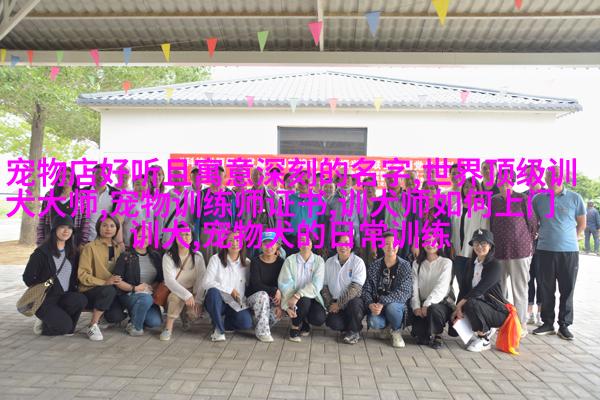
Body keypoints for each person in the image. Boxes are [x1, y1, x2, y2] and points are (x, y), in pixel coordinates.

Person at [532, 166, 586, 340]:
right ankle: (547, 323)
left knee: (567, 289)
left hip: (569, 252)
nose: (552, 177)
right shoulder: (538, 199)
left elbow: (582, 224)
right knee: (546, 288)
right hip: (544, 250)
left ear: (562, 177)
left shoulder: (575, 198)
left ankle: (564, 325)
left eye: (556, 174)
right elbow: (535, 222)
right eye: (549, 175)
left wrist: (570, 238)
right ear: (545, 178)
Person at [23, 215, 87, 336]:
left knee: (80, 299)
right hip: (45, 300)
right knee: (65, 327)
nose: (66, 231)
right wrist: (44, 284)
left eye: (70, 228)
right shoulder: (41, 253)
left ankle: (59, 322)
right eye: (62, 227)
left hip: (63, 297)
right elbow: (27, 278)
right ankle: (44, 325)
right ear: (54, 229)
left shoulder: (72, 252)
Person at [490, 171, 537, 336]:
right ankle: (502, 321)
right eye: (501, 181)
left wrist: (527, 243)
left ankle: (521, 323)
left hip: (520, 250)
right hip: (499, 250)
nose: (504, 185)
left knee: (520, 288)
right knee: (499, 287)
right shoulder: (494, 200)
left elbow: (532, 224)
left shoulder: (523, 199)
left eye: (508, 181)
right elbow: (491, 223)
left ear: (513, 182)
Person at [453, 229, 509, 352]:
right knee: (455, 320)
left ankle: (484, 338)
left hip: (497, 310)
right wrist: (457, 309)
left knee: (470, 303)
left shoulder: (495, 265)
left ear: (490, 246)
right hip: (478, 305)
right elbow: (464, 288)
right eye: (476, 243)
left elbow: (480, 289)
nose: (479, 247)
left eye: (484, 244)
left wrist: (461, 304)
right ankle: (482, 328)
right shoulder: (470, 264)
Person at [203, 231, 258, 341]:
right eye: (231, 241)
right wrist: (230, 290)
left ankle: (222, 322)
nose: (235, 243)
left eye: (238, 240)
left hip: (235, 303)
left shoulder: (247, 263)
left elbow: (249, 285)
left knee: (246, 323)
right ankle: (219, 330)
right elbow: (206, 282)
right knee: (213, 292)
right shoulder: (216, 259)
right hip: (217, 301)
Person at [77, 216, 125, 341]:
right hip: (90, 290)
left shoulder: (118, 248)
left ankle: (103, 313)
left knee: (116, 316)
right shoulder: (90, 247)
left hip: (110, 291)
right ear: (98, 227)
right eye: (104, 225)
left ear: (117, 229)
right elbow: (83, 275)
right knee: (109, 290)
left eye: (112, 226)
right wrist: (104, 282)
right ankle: (92, 325)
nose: (108, 229)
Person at [362, 232, 413, 348]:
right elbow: (366, 288)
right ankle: (386, 328)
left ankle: (396, 331)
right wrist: (370, 304)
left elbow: (405, 292)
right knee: (374, 322)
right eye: (387, 244)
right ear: (382, 246)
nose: (391, 247)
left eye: (394, 243)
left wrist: (382, 302)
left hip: (395, 306)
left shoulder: (405, 265)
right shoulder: (375, 265)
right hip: (378, 306)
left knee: (392, 308)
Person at [112, 225, 164, 336]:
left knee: (154, 322)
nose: (143, 239)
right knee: (145, 299)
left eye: (146, 237)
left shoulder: (155, 256)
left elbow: (160, 279)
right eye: (140, 236)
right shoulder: (126, 255)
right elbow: (117, 281)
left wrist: (152, 287)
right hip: (129, 294)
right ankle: (135, 327)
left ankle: (135, 316)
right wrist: (134, 288)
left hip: (149, 295)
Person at [160, 222, 206, 341]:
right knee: (176, 298)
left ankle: (185, 316)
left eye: (187, 235)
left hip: (192, 292)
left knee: (194, 314)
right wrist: (187, 295)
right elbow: (169, 281)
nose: (183, 237)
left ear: (192, 237)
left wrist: (198, 299)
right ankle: (168, 328)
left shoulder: (198, 256)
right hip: (174, 291)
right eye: (180, 235)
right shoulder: (168, 256)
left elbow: (201, 279)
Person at [278, 233, 326, 342]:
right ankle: (294, 327)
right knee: (304, 301)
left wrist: (298, 295)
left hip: (312, 297)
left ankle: (305, 321)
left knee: (319, 318)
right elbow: (284, 284)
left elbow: (316, 285)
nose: (305, 244)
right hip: (292, 299)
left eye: (308, 241)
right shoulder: (290, 260)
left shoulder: (319, 261)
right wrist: (287, 305)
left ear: (312, 244)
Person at [322, 234, 367, 344]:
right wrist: (330, 305)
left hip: (353, 301)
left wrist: (339, 304)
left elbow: (355, 288)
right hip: (335, 302)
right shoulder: (329, 262)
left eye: (347, 243)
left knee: (355, 304)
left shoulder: (358, 262)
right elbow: (324, 286)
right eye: (340, 243)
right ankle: (347, 328)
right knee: (332, 322)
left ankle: (354, 331)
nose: (343, 246)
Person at [410, 236, 454, 349]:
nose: (430, 244)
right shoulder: (416, 263)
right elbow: (413, 287)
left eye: (434, 241)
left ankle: (438, 335)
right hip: (422, 304)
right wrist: (416, 306)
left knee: (434, 310)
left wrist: (427, 304)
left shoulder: (446, 262)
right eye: (427, 241)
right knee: (421, 339)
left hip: (440, 304)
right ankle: (426, 332)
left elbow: (441, 287)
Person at [450, 175, 489, 298]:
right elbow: (452, 229)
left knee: (472, 286)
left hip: (474, 254)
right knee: (461, 285)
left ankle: (471, 307)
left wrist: (480, 252)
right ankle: (462, 308)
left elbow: (484, 233)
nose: (469, 190)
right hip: (458, 253)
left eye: (472, 187)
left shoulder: (482, 209)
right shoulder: (456, 207)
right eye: (466, 187)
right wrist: (452, 245)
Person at [36, 166, 90, 249]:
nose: (65, 179)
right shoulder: (49, 195)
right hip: (51, 241)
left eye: (68, 176)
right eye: (62, 176)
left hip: (73, 242)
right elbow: (42, 220)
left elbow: (85, 222)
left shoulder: (81, 197)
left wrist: (82, 243)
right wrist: (40, 242)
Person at [246, 231, 286, 342]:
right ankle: (262, 333)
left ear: (277, 245)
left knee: (275, 315)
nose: (269, 246)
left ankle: (258, 325)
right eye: (265, 243)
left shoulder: (281, 262)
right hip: (255, 298)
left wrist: (280, 305)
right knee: (262, 295)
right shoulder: (255, 261)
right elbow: (256, 285)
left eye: (272, 243)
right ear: (260, 245)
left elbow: (283, 284)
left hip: (272, 300)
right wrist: (274, 290)